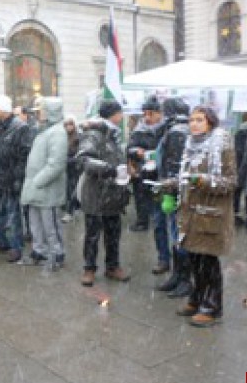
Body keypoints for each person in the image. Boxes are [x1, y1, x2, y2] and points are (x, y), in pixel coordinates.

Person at [164, 105, 236, 328]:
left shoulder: (222, 145)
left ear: (210, 122)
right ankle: (197, 299)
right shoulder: (191, 145)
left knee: (208, 262)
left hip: (211, 215)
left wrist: (203, 181)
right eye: (192, 120)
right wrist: (169, 184)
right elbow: (186, 178)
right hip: (191, 215)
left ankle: (212, 307)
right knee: (195, 260)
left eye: (199, 120)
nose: (194, 124)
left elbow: (230, 182)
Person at [78, 100, 131, 287]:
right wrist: (110, 169)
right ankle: (89, 269)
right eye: (120, 113)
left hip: (114, 194)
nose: (122, 116)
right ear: (113, 114)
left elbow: (118, 159)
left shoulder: (115, 135)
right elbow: (84, 161)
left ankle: (112, 266)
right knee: (92, 235)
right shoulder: (94, 134)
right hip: (96, 194)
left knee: (113, 234)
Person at [0, 95, 32, 263]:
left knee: (12, 216)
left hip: (10, 179)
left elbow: (24, 156)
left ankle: (15, 247)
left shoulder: (20, 128)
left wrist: (18, 178)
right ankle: (1, 242)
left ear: (3, 109)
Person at [20, 97, 68, 270]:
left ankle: (57, 254)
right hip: (36, 188)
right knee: (36, 224)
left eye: (40, 111)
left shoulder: (57, 133)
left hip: (47, 189)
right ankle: (39, 251)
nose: (37, 114)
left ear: (50, 112)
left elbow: (56, 165)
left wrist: (38, 181)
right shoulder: (43, 131)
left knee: (51, 225)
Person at [156, 98, 192, 298]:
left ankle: (184, 279)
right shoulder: (178, 129)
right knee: (177, 235)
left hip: (178, 191)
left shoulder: (177, 131)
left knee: (180, 235)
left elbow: (175, 166)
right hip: (179, 190)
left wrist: (169, 190)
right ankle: (178, 276)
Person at [126, 96, 165, 233]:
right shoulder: (139, 130)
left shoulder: (165, 130)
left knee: (158, 197)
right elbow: (130, 148)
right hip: (142, 169)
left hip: (160, 170)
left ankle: (159, 221)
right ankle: (142, 222)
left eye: (151, 114)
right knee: (140, 196)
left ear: (159, 114)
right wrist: (136, 151)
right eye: (145, 114)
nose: (147, 117)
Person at [14, 104, 38, 242]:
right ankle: (29, 230)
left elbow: (27, 150)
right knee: (25, 204)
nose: (15, 118)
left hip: (28, 171)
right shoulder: (23, 128)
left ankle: (31, 231)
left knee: (28, 204)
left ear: (25, 115)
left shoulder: (31, 129)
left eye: (17, 115)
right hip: (23, 170)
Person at [61, 116, 82, 223]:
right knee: (70, 189)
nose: (68, 127)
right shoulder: (63, 136)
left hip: (75, 167)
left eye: (70, 124)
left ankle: (70, 212)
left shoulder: (78, 137)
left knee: (73, 189)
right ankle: (74, 208)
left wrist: (69, 160)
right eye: (66, 125)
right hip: (67, 168)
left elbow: (79, 154)